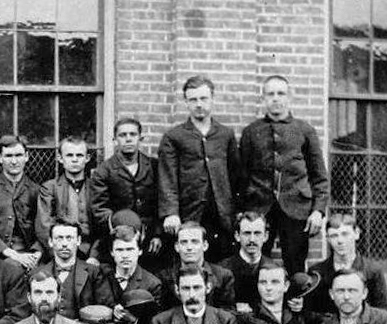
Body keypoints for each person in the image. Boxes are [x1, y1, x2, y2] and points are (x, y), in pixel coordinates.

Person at [241, 75, 329, 276]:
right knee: (255, 265)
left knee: (296, 266)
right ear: (263, 98)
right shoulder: (251, 132)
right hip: (259, 209)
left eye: (281, 93)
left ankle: (296, 307)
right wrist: (242, 210)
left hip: (297, 210)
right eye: (270, 94)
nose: (275, 98)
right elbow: (242, 176)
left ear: (290, 97)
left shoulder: (304, 130)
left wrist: (318, 211)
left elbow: (319, 176)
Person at [158, 76, 242, 262]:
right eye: (193, 99)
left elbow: (235, 175)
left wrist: (238, 209)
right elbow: (167, 177)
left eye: (203, 98)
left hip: (221, 214)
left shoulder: (225, 134)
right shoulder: (174, 136)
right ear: (186, 102)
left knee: (222, 263)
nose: (199, 104)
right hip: (189, 212)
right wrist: (171, 212)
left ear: (212, 99)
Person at [91, 118, 164, 272]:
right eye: (123, 135)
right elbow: (100, 208)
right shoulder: (104, 171)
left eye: (133, 134)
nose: (128, 138)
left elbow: (162, 202)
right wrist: (121, 231)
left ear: (140, 138)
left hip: (150, 241)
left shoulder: (154, 166)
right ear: (115, 139)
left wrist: (157, 234)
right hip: (118, 240)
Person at [0, 135, 42, 271]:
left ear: (27, 157)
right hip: (0, 255)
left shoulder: (36, 190)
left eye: (18, 155)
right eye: (8, 156)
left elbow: (43, 227)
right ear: (0, 158)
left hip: (31, 255)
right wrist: (13, 255)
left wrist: (36, 254)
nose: (14, 161)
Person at [306, 213, 387, 314]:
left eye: (345, 234)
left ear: (356, 233)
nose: (340, 241)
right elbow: (310, 312)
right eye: (334, 236)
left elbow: (382, 311)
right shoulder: (317, 272)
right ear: (327, 238)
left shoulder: (372, 270)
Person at [35, 136, 99, 264]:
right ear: (60, 158)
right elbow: (44, 225)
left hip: (89, 254)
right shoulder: (50, 187)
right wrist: (59, 255)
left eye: (79, 155)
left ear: (87, 158)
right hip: (58, 252)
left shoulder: (96, 188)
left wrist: (94, 255)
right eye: (69, 155)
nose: (74, 159)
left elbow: (101, 227)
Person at [157, 222, 235, 311]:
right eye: (184, 242)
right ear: (177, 247)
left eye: (195, 242)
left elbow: (227, 315)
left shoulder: (223, 276)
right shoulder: (164, 277)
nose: (189, 247)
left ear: (205, 245)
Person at [219, 212, 271, 314]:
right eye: (247, 233)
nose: (252, 239)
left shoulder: (273, 269)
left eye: (257, 233)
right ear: (237, 236)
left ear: (265, 236)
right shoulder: (222, 269)